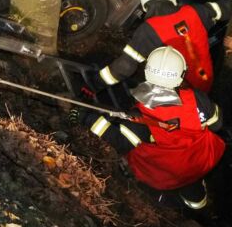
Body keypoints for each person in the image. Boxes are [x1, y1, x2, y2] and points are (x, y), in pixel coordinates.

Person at [70, 46, 225, 211]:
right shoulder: (197, 99)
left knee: (164, 173)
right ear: (181, 75)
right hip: (201, 160)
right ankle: (199, 207)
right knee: (194, 189)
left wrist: (86, 118)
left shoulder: (141, 116)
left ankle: (174, 207)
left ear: (147, 71)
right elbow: (217, 124)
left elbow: (121, 142)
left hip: (167, 173)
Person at [92, 0, 232, 94]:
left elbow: (124, 67)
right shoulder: (196, 11)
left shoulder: (148, 31)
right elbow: (227, 6)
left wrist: (95, 83)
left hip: (179, 91)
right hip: (206, 81)